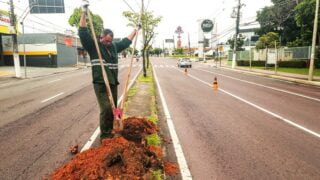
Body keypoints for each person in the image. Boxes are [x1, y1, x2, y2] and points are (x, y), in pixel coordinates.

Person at [79, 0, 139, 139]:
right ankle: (105, 136)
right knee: (106, 109)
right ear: (100, 38)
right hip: (100, 82)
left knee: (115, 108)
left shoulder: (113, 47)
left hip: (112, 82)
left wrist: (136, 30)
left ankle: (115, 126)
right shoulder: (93, 46)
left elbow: (126, 41)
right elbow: (83, 32)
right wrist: (83, 12)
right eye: (105, 41)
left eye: (110, 41)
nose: (108, 43)